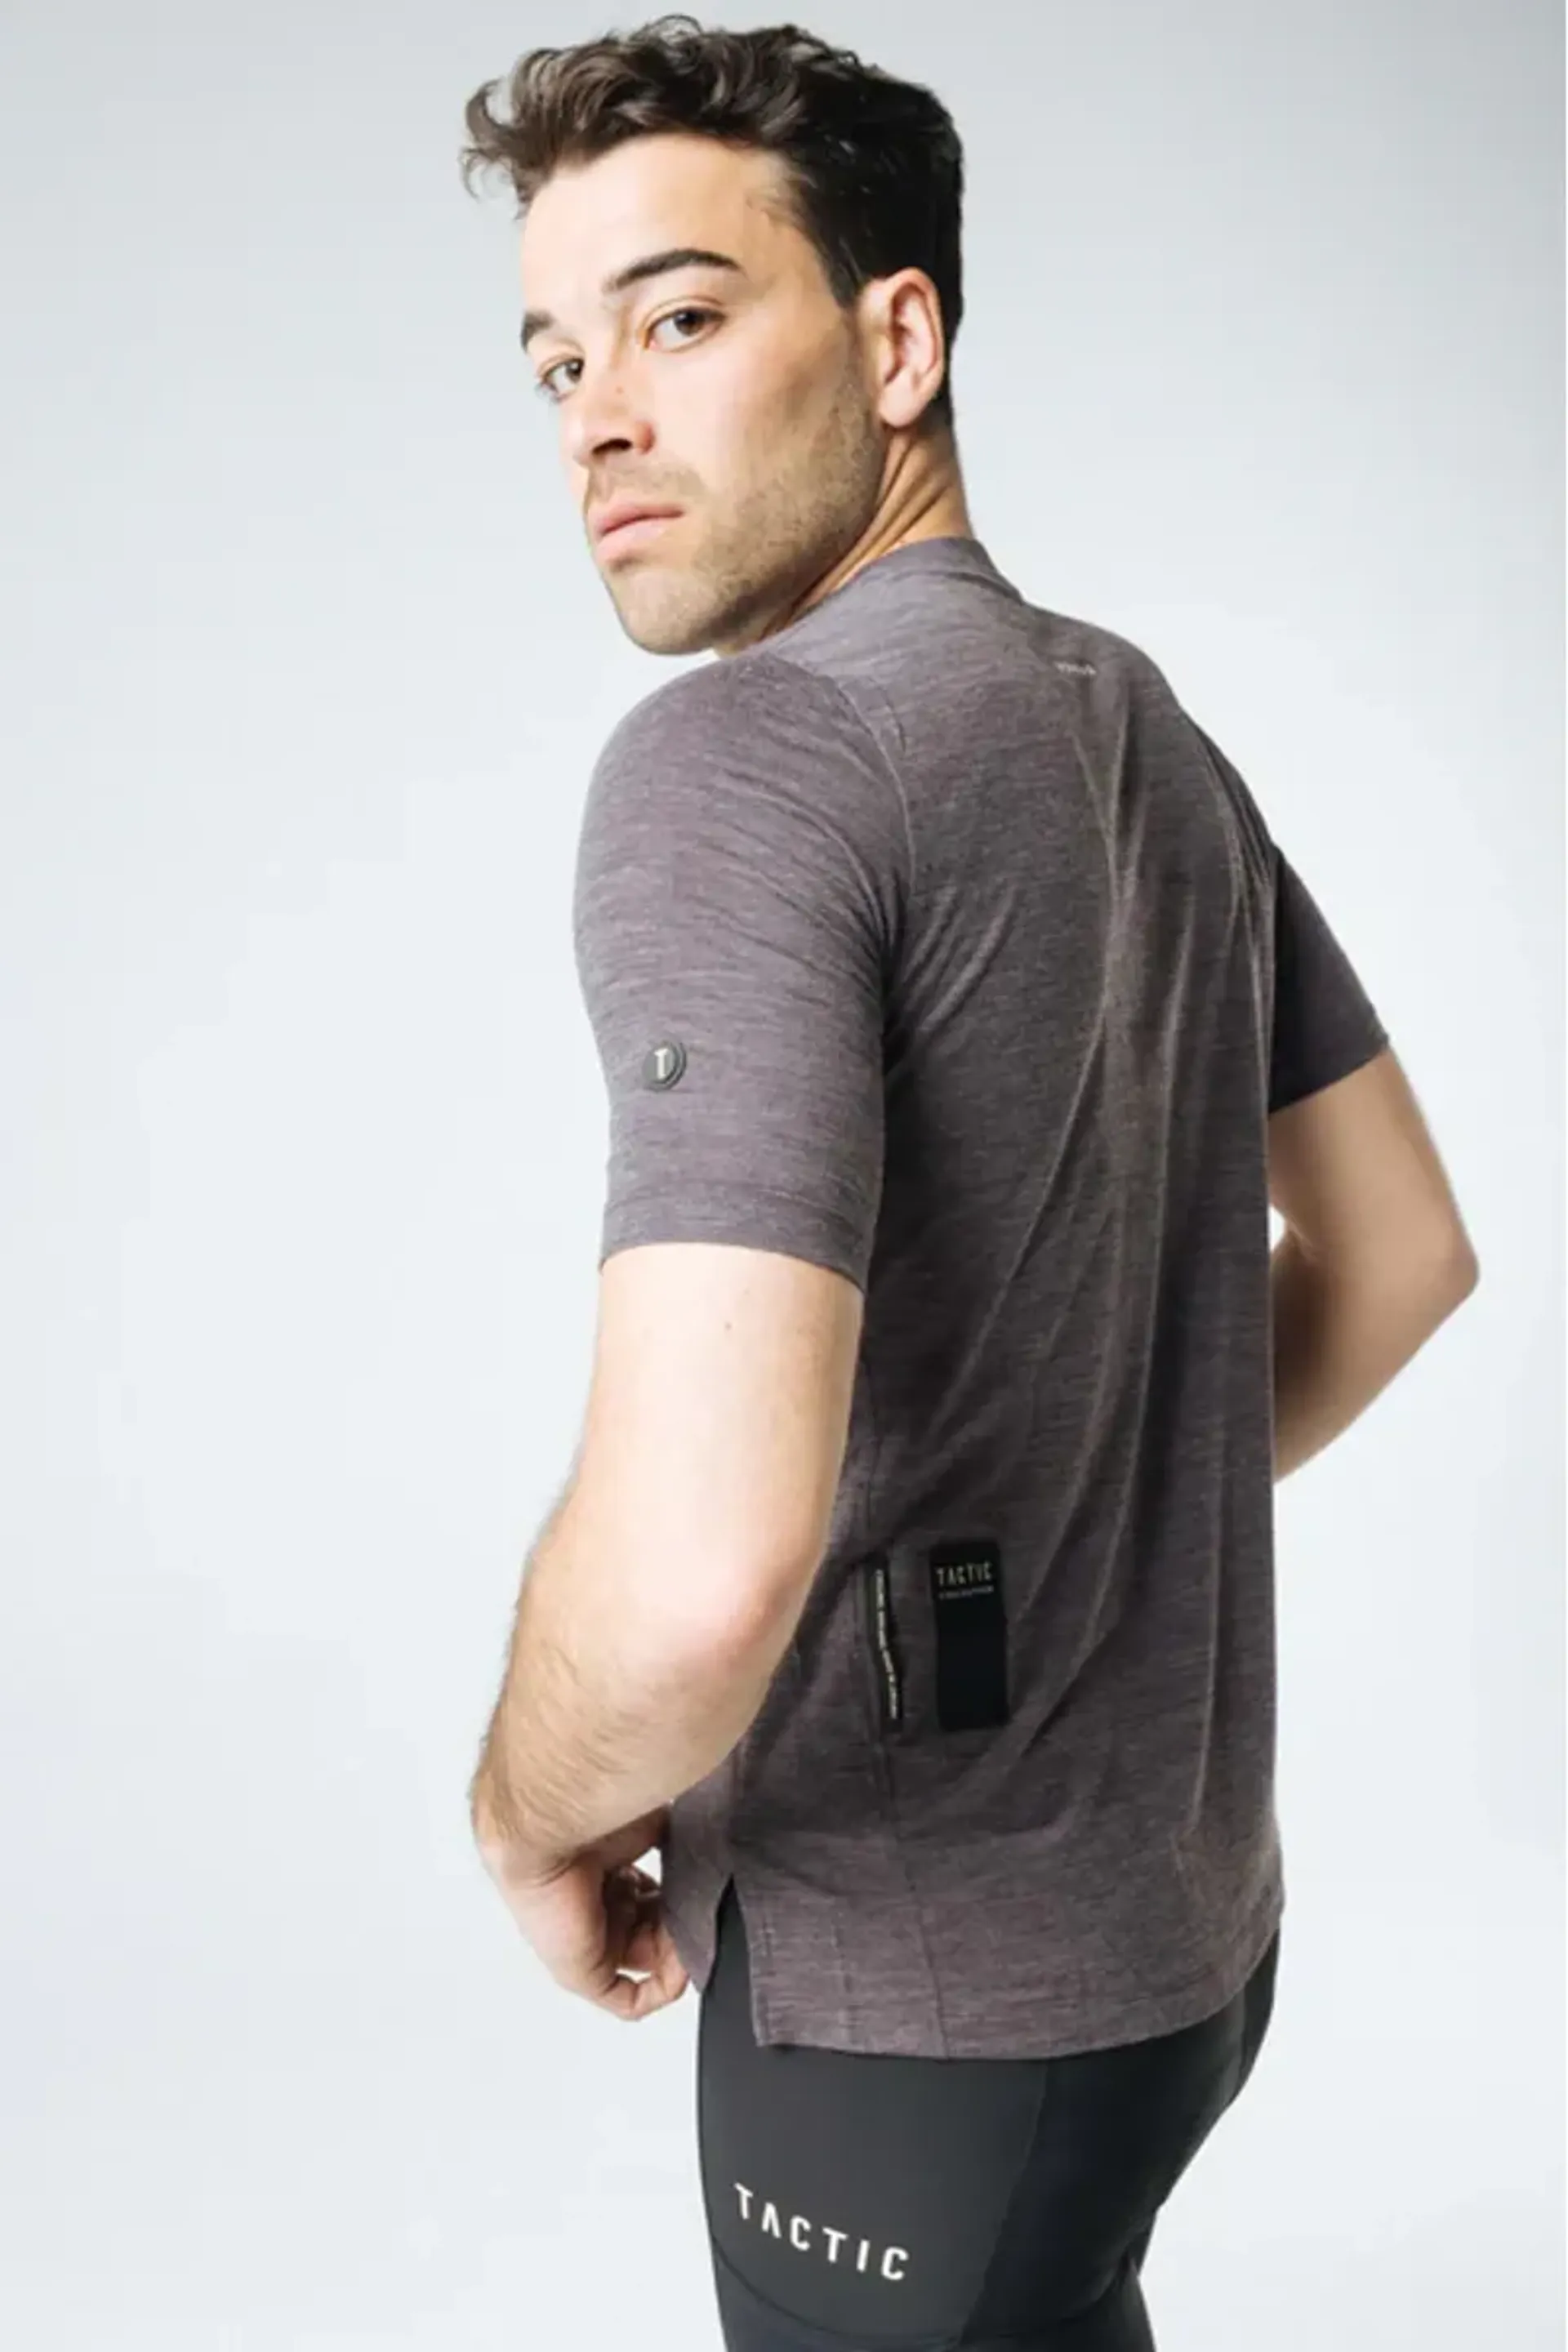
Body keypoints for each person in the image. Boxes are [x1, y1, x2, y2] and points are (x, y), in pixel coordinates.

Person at [458, 17, 1481, 2348]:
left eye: (679, 318)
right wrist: (1091, 1510)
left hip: (914, 2011)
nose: (597, 415)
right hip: (1178, 1958)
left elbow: (701, 1570)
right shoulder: (1142, 728)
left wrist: (525, 1813)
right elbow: (1404, 1253)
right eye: (556, 363)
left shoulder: (744, 767)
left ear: (897, 340)